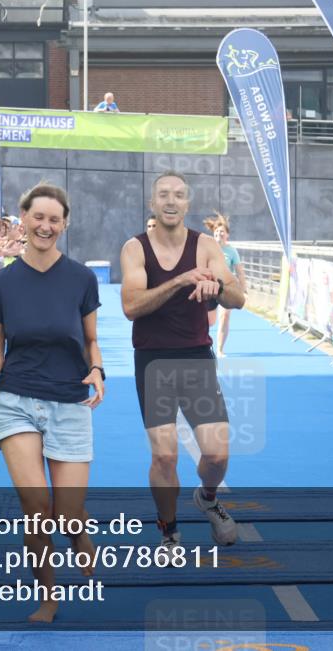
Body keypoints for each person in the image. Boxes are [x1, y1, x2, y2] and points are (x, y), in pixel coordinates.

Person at [0, 182, 104, 624]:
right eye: (38, 217)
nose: (46, 226)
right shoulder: (2, 283)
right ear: (24, 219)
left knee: (67, 514)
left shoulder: (81, 279)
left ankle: (80, 534)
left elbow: (92, 341)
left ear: (65, 224)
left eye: (55, 219)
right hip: (15, 400)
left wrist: (98, 370)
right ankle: (48, 597)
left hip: (70, 402)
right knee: (36, 507)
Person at [119, 171, 246, 553]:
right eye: (163, 195)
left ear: (187, 204)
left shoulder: (206, 245)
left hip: (195, 357)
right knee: (164, 455)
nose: (171, 201)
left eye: (178, 195)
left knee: (217, 454)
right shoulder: (135, 248)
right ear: (152, 204)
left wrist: (217, 287)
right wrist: (180, 281)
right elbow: (131, 306)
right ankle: (169, 528)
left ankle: (207, 497)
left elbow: (238, 298)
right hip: (153, 359)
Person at [203, 213, 247, 357]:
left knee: (225, 316)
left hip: (226, 288)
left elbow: (240, 271)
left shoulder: (232, 251)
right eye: (216, 231)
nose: (219, 234)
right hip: (210, 287)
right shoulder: (208, 248)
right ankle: (203, 343)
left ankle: (220, 349)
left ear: (227, 235)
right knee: (208, 321)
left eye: (222, 231)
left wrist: (243, 288)